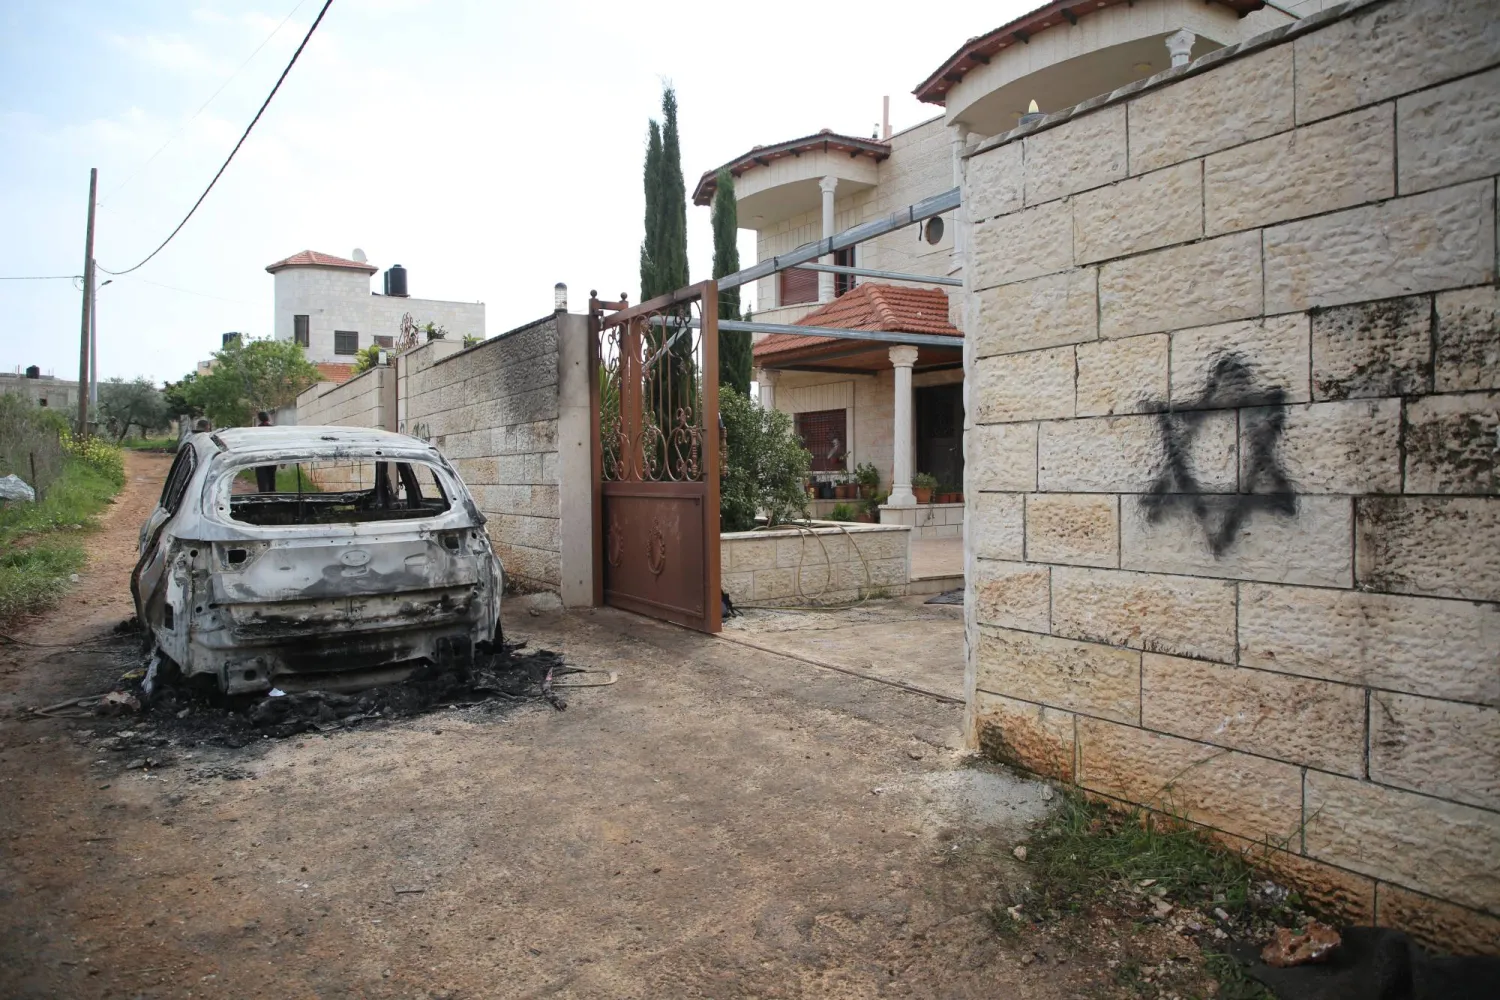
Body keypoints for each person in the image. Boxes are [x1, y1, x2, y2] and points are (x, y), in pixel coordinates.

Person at [254, 411, 277, 493]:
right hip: (272, 457)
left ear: (259, 419)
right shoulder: (273, 429)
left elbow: (254, 445)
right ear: (267, 417)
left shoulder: (256, 431)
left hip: (260, 458)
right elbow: (276, 443)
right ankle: (272, 495)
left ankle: (263, 496)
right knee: (271, 478)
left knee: (261, 480)